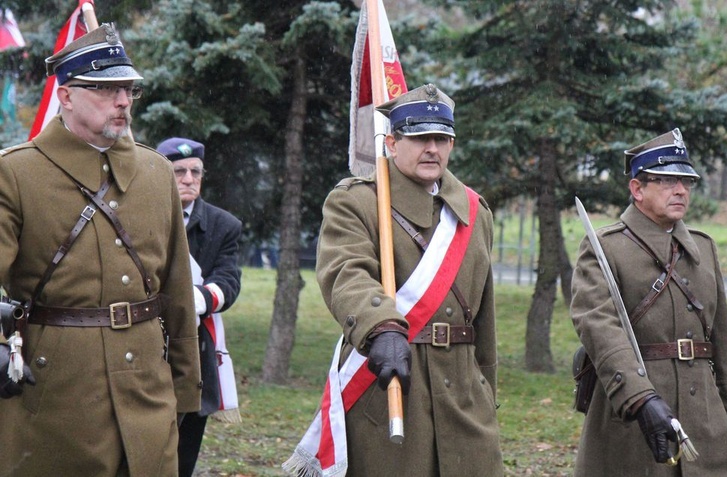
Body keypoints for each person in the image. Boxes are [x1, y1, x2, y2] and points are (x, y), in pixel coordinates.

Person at [0, 24, 201, 476]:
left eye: (128, 88)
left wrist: (186, 386)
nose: (123, 101)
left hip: (148, 393)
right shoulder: (14, 174)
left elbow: (177, 290)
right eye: (106, 89)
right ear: (66, 96)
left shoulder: (154, 172)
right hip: (55, 397)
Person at [285, 84, 503, 476]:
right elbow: (345, 271)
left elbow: (482, 320)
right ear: (392, 142)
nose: (432, 148)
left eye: (441, 138)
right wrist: (381, 326)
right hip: (392, 386)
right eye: (420, 138)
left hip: (465, 397)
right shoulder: (356, 201)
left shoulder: (474, 211)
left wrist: (486, 387)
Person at [570, 128, 727, 475]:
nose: (680, 190)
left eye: (686, 182)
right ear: (637, 189)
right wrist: (640, 399)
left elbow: (721, 342)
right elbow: (599, 327)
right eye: (666, 181)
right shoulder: (606, 247)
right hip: (634, 420)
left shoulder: (703, 248)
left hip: (705, 422)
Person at [157, 137, 243, 477]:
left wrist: (194, 299)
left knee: (183, 453)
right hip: (144, 342)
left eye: (195, 171)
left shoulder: (224, 225)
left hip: (195, 350)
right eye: (179, 172)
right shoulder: (139, 216)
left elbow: (228, 282)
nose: (189, 179)